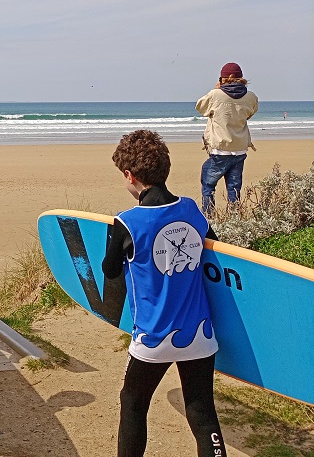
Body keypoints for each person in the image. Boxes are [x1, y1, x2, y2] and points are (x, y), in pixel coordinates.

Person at [102, 130, 226, 457]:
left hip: (154, 338)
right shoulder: (191, 210)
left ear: (130, 176)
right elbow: (212, 249)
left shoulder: (127, 222)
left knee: (133, 404)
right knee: (201, 411)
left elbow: (110, 270)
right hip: (200, 333)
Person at [196, 62, 259, 213]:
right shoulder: (251, 97)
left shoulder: (215, 95)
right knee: (234, 188)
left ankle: (209, 215)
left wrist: (216, 89)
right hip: (239, 148)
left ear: (223, 79)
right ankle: (234, 217)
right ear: (241, 78)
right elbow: (250, 113)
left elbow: (200, 107)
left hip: (220, 149)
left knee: (208, 183)